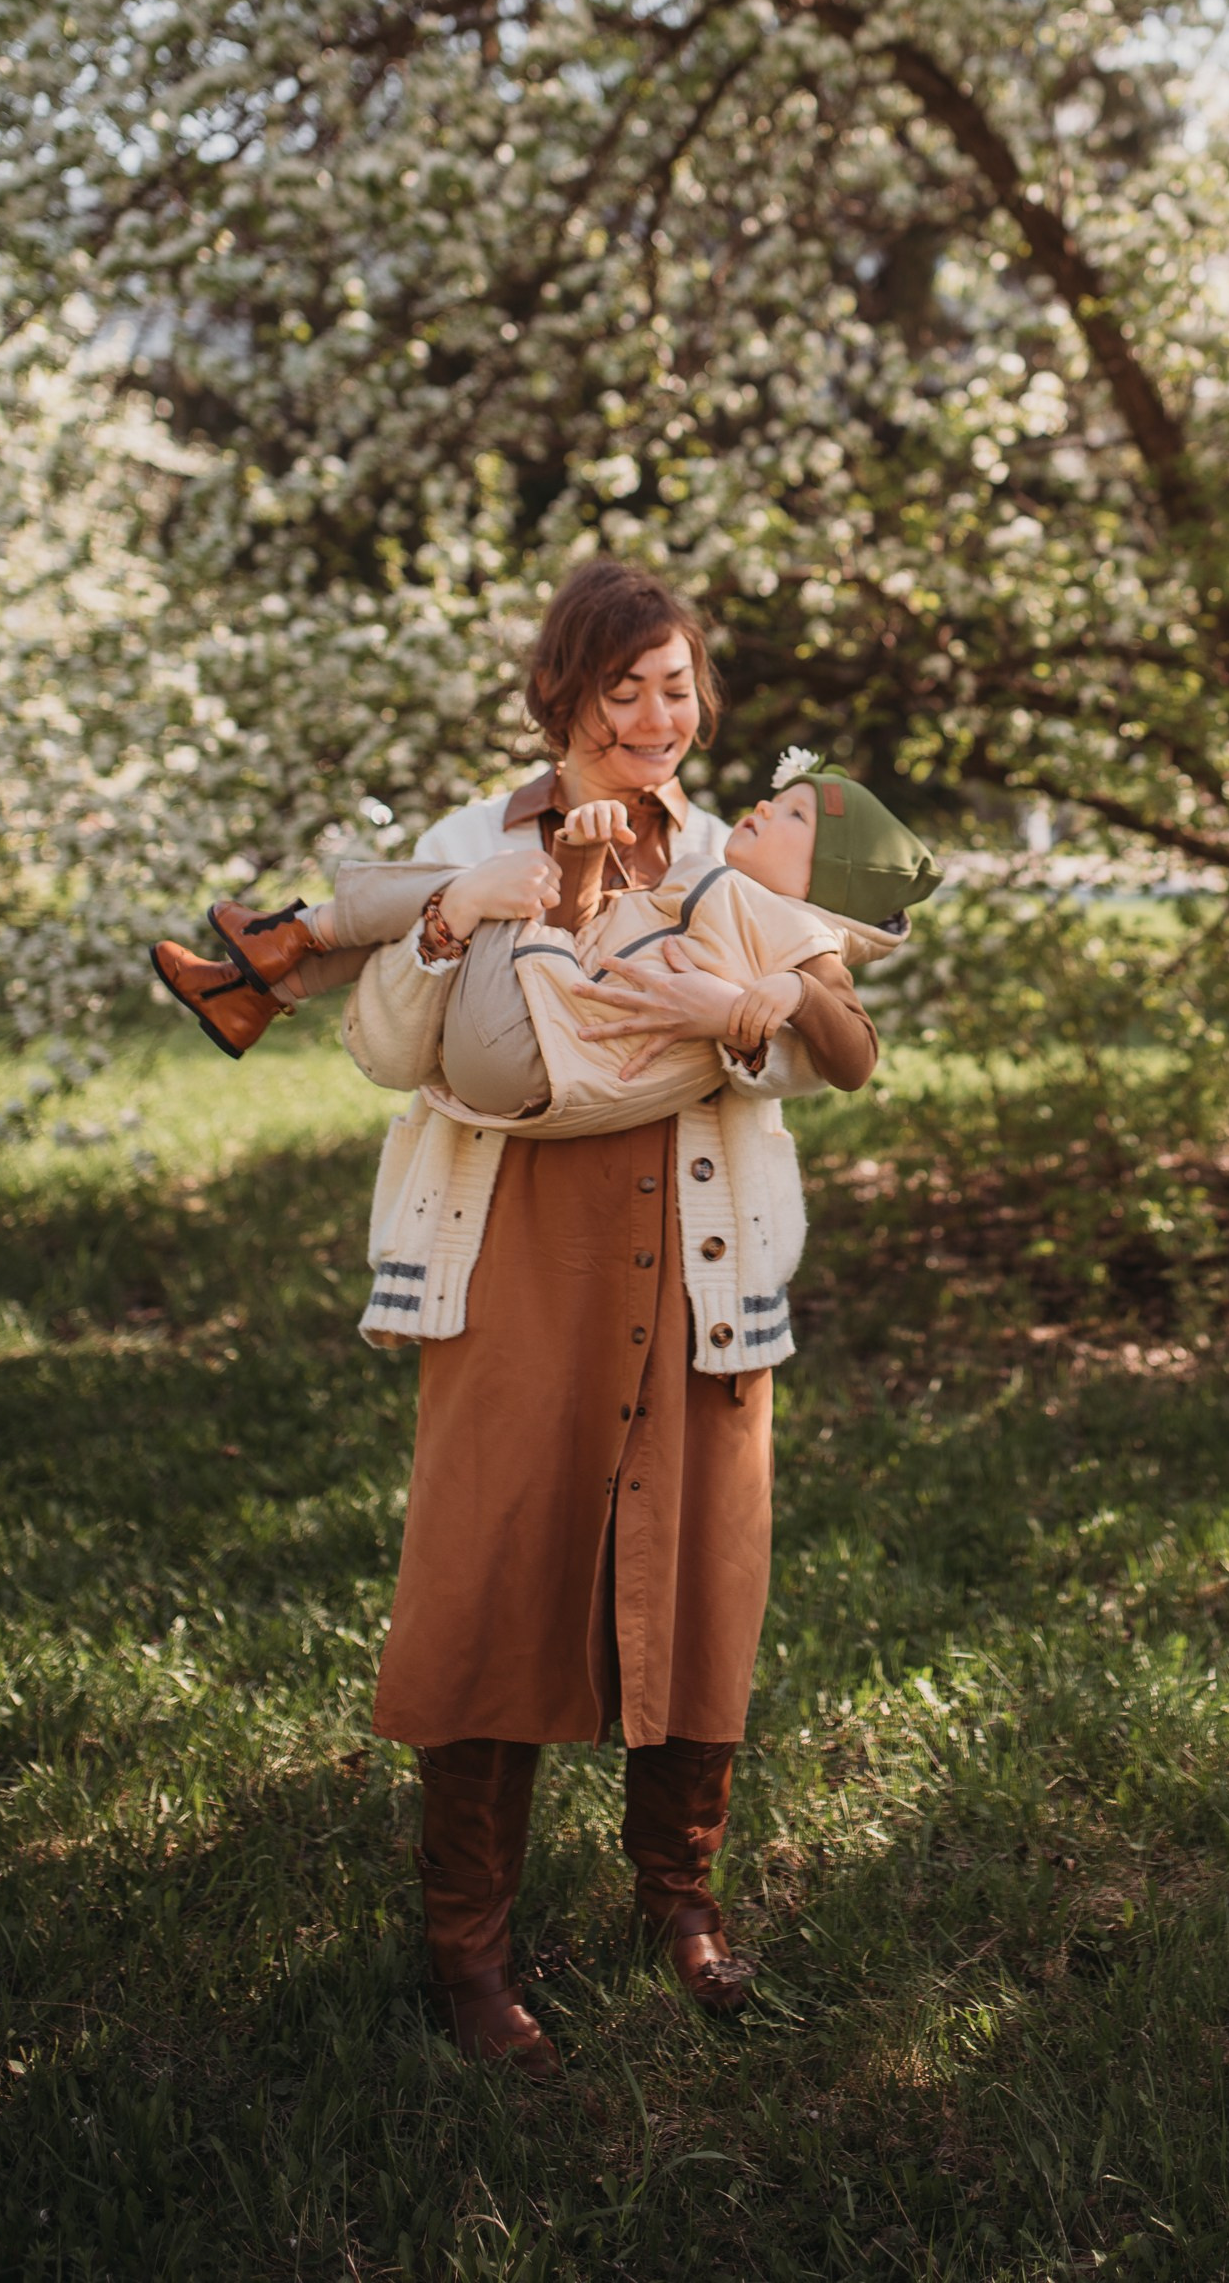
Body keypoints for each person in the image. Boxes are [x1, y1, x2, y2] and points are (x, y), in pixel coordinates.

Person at [298, 560, 908, 2077]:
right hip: (518, 1247)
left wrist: (730, 1016)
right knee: (491, 1571)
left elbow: (817, 1041)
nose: (654, 717)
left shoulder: (732, 855)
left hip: (699, 1246)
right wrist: (451, 924)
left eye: (677, 687)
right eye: (621, 688)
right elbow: (384, 1050)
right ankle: (469, 1946)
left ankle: (680, 1900)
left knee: (699, 1573)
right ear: (558, 694)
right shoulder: (469, 841)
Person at [148, 758, 935, 1134]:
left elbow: (856, 1058)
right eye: (776, 795)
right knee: (497, 889)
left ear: (823, 879)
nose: (764, 805)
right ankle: (253, 990)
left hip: (532, 1049)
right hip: (530, 1041)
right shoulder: (722, 887)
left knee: (498, 882)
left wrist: (786, 996)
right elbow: (577, 934)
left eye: (794, 816)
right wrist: (584, 857)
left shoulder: (802, 932)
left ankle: (294, 934)